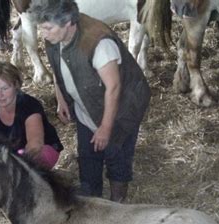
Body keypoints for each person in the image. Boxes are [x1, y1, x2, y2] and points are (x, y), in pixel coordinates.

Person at [29, 0, 151, 202]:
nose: (43, 33)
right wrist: (61, 98)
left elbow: (114, 88)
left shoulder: (98, 42)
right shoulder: (54, 37)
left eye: (47, 28)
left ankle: (117, 203)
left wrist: (105, 127)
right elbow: (57, 68)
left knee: (116, 153)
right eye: (40, 28)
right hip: (88, 104)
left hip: (122, 107)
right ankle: (91, 196)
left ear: (68, 22)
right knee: (87, 155)